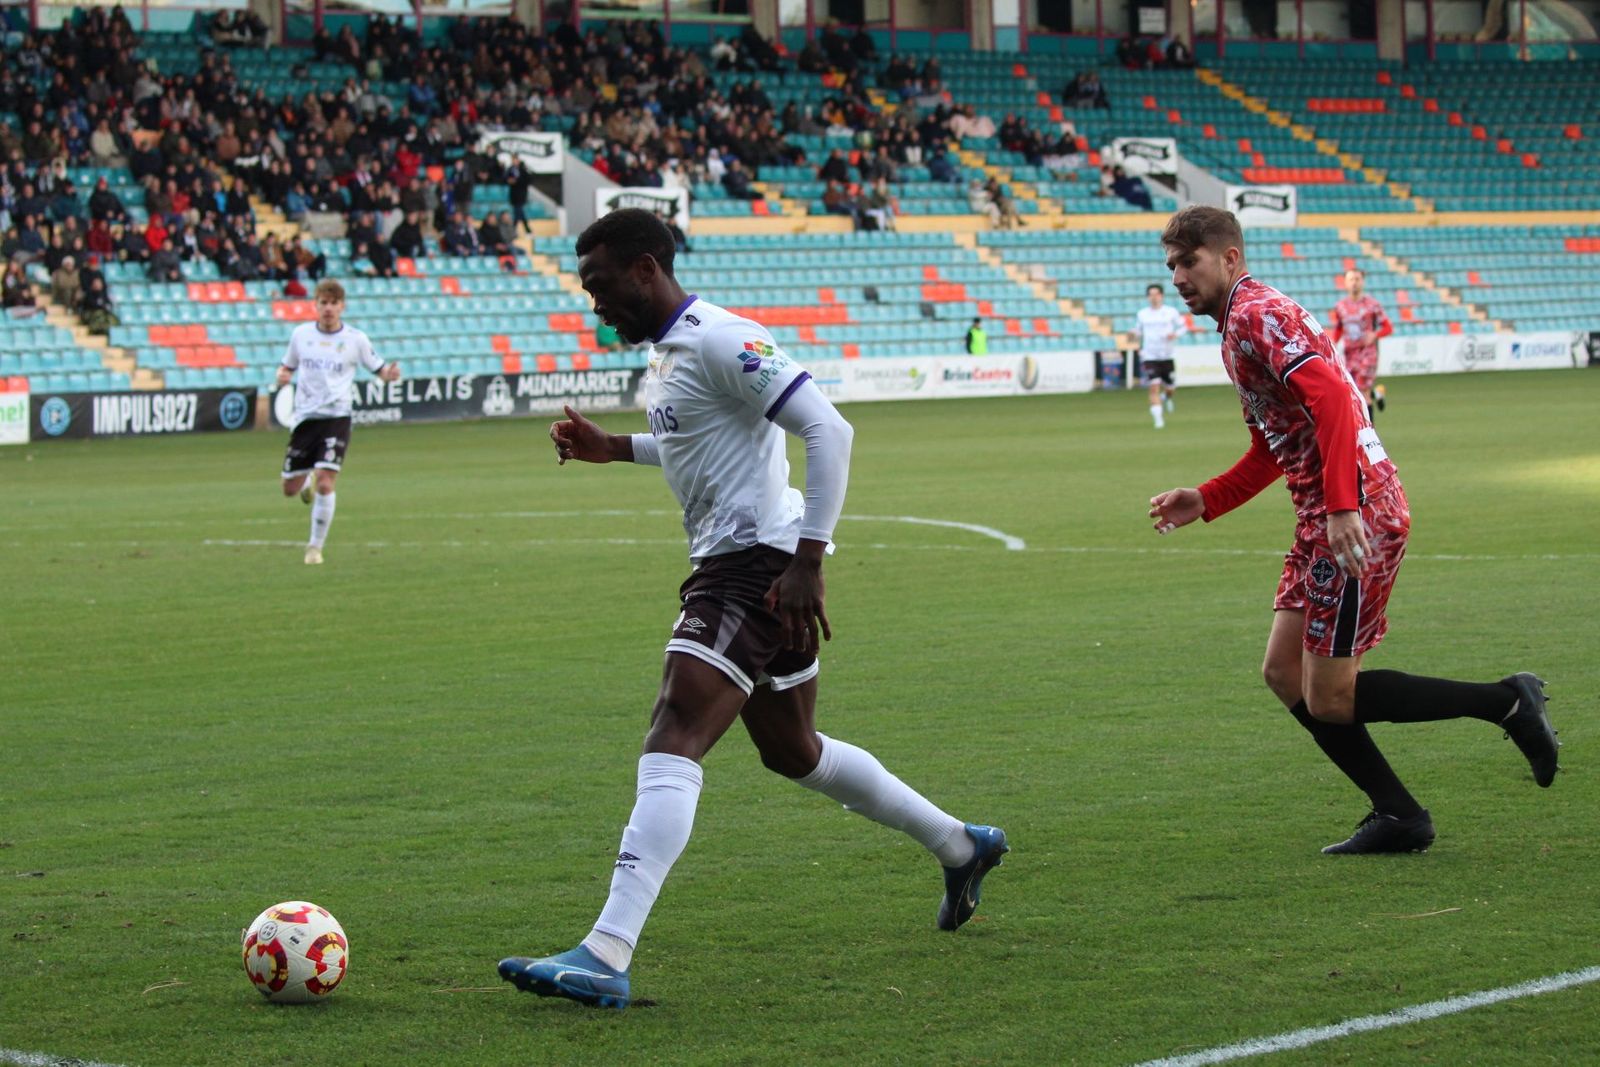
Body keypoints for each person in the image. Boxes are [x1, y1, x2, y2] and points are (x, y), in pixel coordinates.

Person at [499, 209, 1008, 1009]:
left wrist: (809, 558)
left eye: (600, 286)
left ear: (644, 269)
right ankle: (959, 843)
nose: (594, 304)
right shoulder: (672, 357)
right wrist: (615, 448)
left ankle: (606, 949)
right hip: (745, 560)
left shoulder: (719, 336)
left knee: (676, 727)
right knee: (793, 749)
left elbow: (827, 429)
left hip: (755, 566)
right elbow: (698, 439)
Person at [1147, 206, 1559, 855]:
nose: (1176, 277)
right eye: (1170, 264)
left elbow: (1335, 400)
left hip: (1355, 510)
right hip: (1327, 513)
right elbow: (1273, 446)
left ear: (1229, 258)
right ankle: (1398, 814)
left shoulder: (1256, 313)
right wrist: (1208, 497)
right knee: (1285, 673)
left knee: (1331, 696)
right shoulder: (1238, 327)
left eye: (1187, 261)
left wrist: (1341, 508)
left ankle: (1507, 701)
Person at [275, 279, 401, 566]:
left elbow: (379, 369)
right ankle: (303, 479)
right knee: (289, 489)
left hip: (337, 417)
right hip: (306, 419)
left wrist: (389, 375)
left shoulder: (356, 339)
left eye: (334, 303)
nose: (328, 309)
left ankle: (314, 548)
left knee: (326, 480)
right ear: (315, 305)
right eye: (324, 303)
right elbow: (287, 367)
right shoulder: (301, 335)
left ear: (342, 306)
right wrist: (282, 376)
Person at [1327, 267, 1393, 420]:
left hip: (1367, 353)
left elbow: (1388, 327)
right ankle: (1377, 394)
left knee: (1362, 392)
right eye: (1351, 279)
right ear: (1345, 283)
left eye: (1357, 279)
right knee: (1354, 391)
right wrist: (1333, 344)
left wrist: (1375, 335)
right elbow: (1339, 328)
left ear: (1362, 282)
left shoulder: (1372, 305)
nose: (1354, 283)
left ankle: (1369, 436)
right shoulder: (1340, 306)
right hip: (1350, 354)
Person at [1130, 283, 1185, 428]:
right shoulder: (1142, 314)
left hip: (1167, 355)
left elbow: (1183, 326)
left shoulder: (1170, 312)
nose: (1154, 297)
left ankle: (1166, 397)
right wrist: (1134, 337)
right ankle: (1158, 420)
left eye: (1156, 294)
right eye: (1151, 294)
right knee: (1153, 386)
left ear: (1161, 295)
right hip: (1150, 356)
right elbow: (1138, 331)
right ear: (1148, 297)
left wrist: (1175, 334)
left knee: (1170, 388)